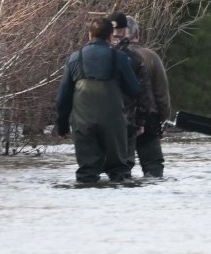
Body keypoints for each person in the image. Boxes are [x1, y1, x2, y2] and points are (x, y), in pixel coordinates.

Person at [54, 17, 145, 185]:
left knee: (87, 172)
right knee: (119, 172)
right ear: (110, 37)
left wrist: (62, 126)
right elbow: (134, 89)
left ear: (89, 36)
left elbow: (63, 97)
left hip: (83, 122)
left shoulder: (74, 58)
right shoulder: (119, 58)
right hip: (114, 123)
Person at [109, 12, 172, 179]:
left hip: (119, 120)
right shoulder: (151, 57)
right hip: (149, 118)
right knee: (153, 165)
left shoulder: (108, 55)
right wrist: (164, 122)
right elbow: (162, 96)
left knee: (121, 168)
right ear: (137, 34)